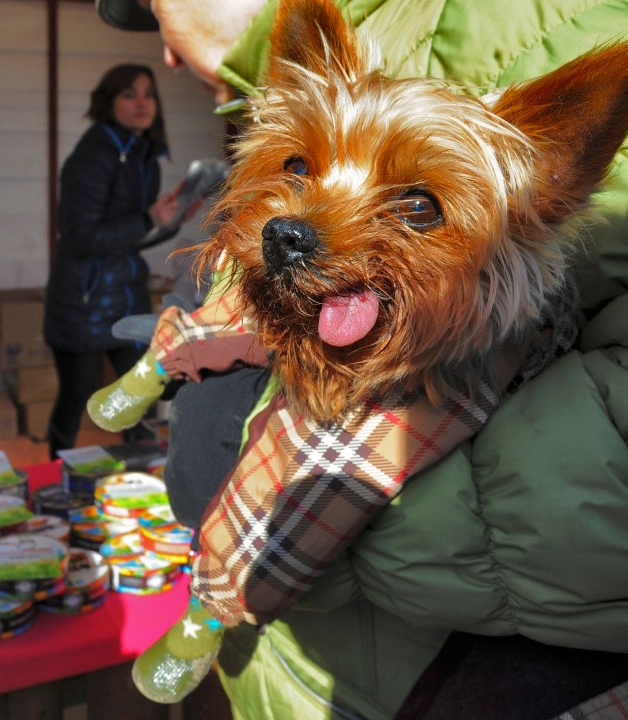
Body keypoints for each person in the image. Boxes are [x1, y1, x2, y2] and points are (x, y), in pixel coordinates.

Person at [94, 1, 628, 719]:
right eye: (298, 167)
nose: (301, 221)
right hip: (285, 678)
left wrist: (368, 528)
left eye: (416, 207)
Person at [43, 63, 186, 459]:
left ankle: (139, 482)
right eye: (129, 94)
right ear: (108, 103)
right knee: (74, 400)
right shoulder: (93, 157)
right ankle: (59, 479)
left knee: (135, 399)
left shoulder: (142, 157)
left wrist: (171, 220)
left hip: (125, 296)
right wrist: (148, 218)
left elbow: (133, 236)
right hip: (83, 303)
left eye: (149, 93)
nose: (142, 103)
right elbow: (83, 237)